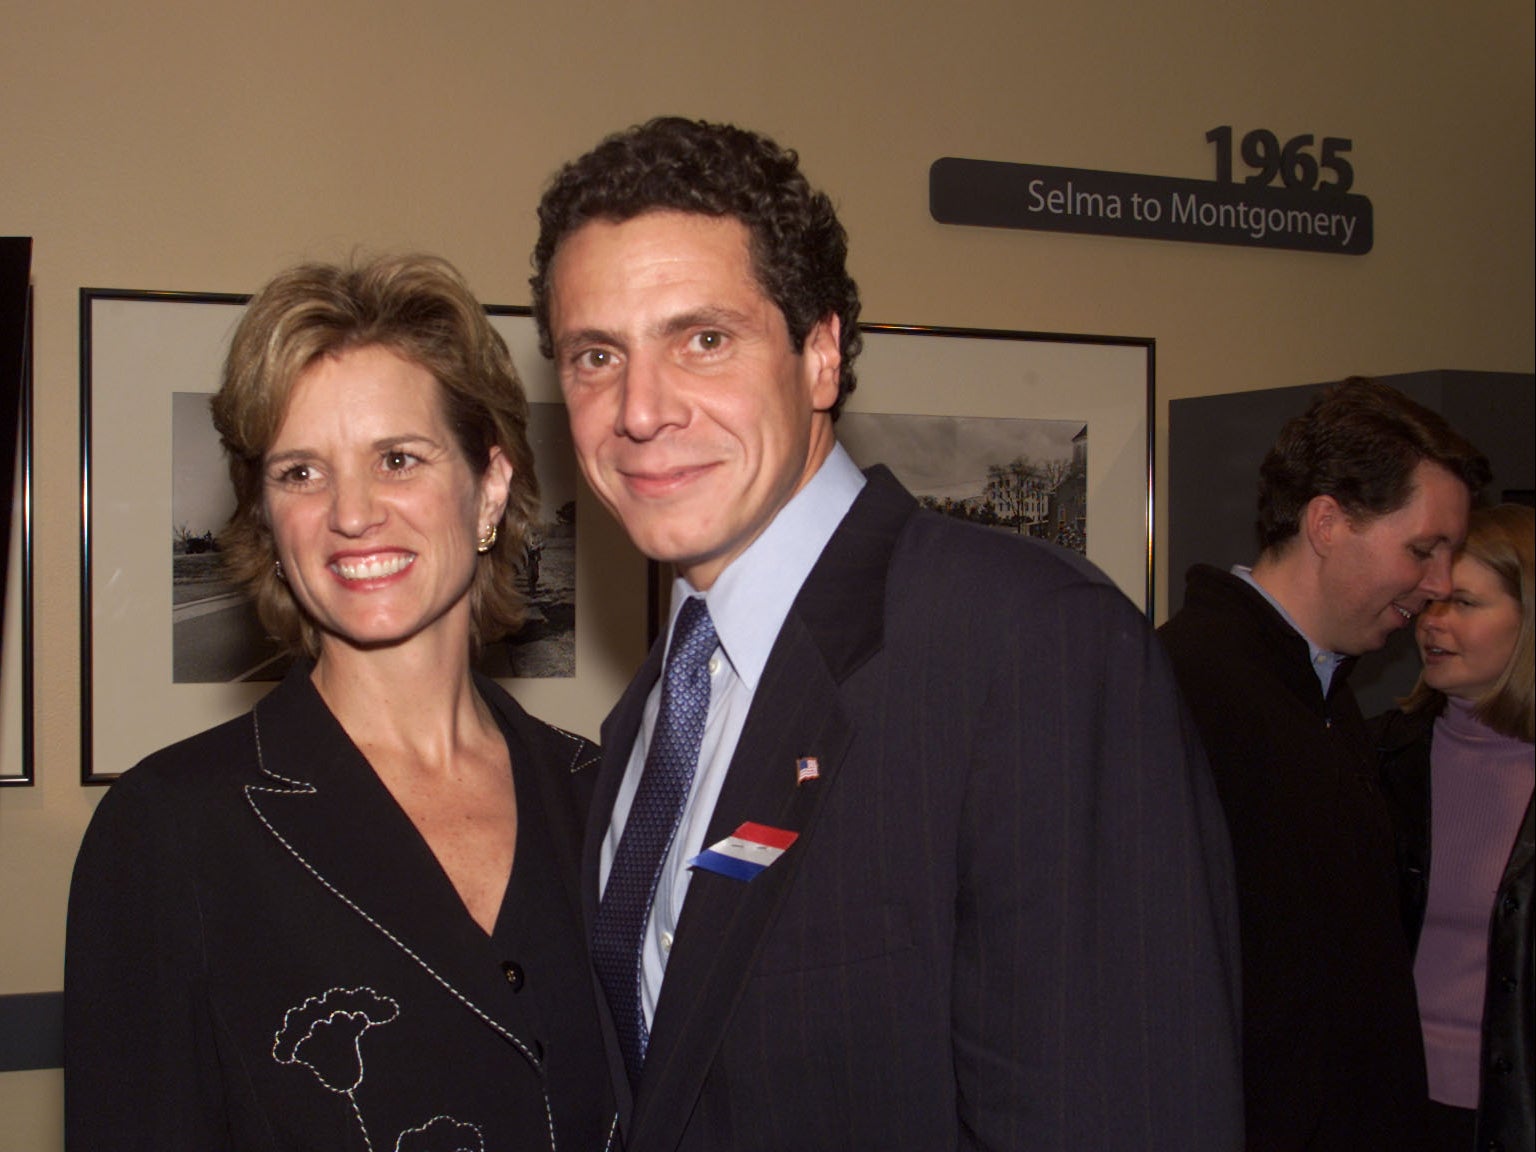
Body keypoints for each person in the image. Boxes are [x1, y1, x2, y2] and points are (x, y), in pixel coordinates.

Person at [530, 115, 1242, 1150]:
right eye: (597, 355)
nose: (639, 410)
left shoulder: (1026, 648)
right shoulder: (658, 706)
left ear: (820, 355)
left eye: (703, 339)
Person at [65, 255, 616, 1150]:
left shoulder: (601, 797)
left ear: (490, 487)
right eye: (301, 473)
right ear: (267, 522)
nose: (351, 514)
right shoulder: (171, 833)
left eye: (397, 459)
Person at [1159, 377, 1492, 1151]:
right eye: (1422, 550)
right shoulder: (1184, 690)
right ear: (1327, 522)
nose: (1440, 585)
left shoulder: (1328, 696)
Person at [1371, 503, 1534, 1152]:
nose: (1432, 624)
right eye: (1429, 602)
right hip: (1391, 1109)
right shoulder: (1377, 754)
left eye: (1463, 602)